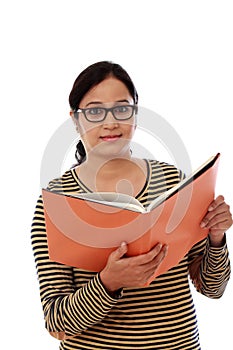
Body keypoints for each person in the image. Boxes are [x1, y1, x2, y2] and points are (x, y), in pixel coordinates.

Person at [31, 61, 232, 350]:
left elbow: (213, 288)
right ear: (76, 120)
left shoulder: (176, 182)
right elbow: (57, 323)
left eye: (122, 109)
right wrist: (108, 282)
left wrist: (216, 238)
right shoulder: (56, 202)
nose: (110, 122)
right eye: (95, 111)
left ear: (135, 115)